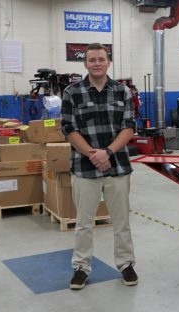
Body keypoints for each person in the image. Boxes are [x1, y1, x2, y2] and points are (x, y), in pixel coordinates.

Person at [61, 43, 138, 290]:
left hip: (117, 167)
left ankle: (126, 264)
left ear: (108, 62)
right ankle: (81, 267)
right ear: (85, 63)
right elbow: (69, 130)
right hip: (85, 169)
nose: (97, 63)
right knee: (84, 223)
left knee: (121, 221)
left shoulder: (122, 92)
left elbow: (128, 128)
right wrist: (93, 154)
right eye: (92, 59)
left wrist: (108, 152)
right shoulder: (72, 93)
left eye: (101, 59)